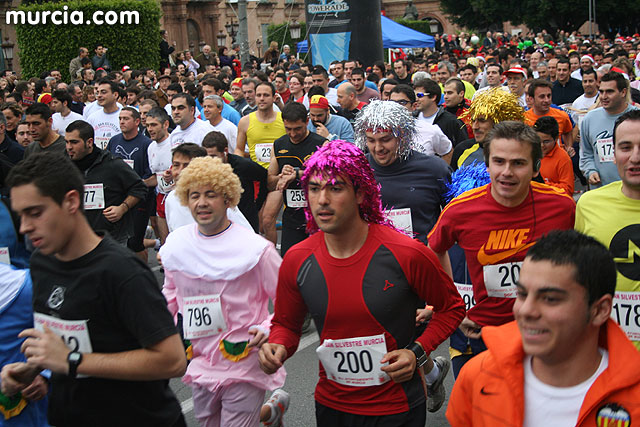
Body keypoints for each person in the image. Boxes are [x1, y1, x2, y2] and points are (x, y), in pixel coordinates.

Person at [259, 140, 465, 425]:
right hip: (332, 405)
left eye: (335, 188)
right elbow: (286, 325)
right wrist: (277, 347)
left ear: (360, 193)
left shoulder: (406, 253)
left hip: (396, 407)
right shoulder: (297, 258)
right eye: (315, 189)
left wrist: (416, 351)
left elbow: (452, 308)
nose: (322, 200)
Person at [1, 152, 187, 426]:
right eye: (21, 216)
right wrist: (36, 370)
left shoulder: (121, 272)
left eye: (35, 213)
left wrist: (73, 361)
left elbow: (172, 361)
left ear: (71, 202)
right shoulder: (40, 263)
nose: (26, 227)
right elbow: (66, 341)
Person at [446, 230, 640, 426]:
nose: (526, 311)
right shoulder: (476, 376)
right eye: (522, 294)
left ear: (600, 310)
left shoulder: (634, 397)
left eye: (550, 299)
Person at [428, 121, 576, 377]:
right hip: (487, 332)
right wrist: (453, 306)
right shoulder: (461, 210)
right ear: (488, 164)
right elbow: (433, 251)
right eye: (499, 162)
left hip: (549, 330)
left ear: (535, 168)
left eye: (518, 163)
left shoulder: (562, 207)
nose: (506, 172)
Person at [160, 156, 288, 427]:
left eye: (211, 195)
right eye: (194, 195)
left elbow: (288, 299)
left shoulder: (255, 248)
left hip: (243, 358)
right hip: (199, 358)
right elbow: (170, 295)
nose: (202, 203)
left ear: (228, 199)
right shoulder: (177, 245)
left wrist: (267, 328)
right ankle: (270, 413)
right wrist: (160, 333)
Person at [575, 109, 640, 349]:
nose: (635, 157)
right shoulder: (589, 205)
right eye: (625, 147)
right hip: (606, 352)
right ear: (613, 154)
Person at [358, 99, 450, 246]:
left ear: (403, 137)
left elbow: (454, 221)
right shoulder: (357, 169)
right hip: (373, 261)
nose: (377, 148)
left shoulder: (435, 170)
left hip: (421, 261)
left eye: (385, 140)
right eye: (371, 140)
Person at [269, 102, 326, 255]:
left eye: (298, 129)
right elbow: (270, 181)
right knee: (290, 263)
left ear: (307, 121)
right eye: (288, 129)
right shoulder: (279, 144)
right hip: (292, 218)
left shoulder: (321, 144)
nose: (293, 134)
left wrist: (297, 174)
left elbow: (328, 177)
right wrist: (281, 176)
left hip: (318, 217)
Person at [235, 82, 286, 244]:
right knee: (257, 224)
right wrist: (240, 166)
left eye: (266, 95)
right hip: (255, 178)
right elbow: (238, 149)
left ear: (273, 97)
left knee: (268, 219)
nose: (262, 99)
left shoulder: (283, 120)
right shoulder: (245, 121)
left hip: (277, 178)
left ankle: (271, 260)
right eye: (259, 95)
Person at [580, 71, 637, 188]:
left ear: (623, 92)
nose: (604, 96)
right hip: (602, 191)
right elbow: (586, 153)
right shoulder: (589, 119)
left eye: (610, 92)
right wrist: (591, 171)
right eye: (601, 91)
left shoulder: (637, 117)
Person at [202, 132, 267, 234]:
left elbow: (265, 177)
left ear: (225, 151)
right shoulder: (204, 169)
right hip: (220, 222)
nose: (210, 161)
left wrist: (258, 204)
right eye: (207, 157)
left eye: (214, 156)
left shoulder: (243, 165)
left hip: (246, 220)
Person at [451, 88, 525, 170]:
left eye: (482, 121)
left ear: (499, 122)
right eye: (473, 120)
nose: (475, 127)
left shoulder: (519, 151)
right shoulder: (462, 149)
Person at [389, 85, 452, 162]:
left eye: (402, 102)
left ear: (414, 106)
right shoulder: (379, 131)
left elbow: (447, 151)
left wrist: (441, 173)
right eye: (392, 103)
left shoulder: (431, 130)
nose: (396, 107)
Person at [145, 107, 173, 245]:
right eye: (148, 125)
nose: (150, 129)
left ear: (165, 124)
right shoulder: (151, 148)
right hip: (161, 197)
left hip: (178, 197)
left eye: (154, 125)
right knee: (165, 241)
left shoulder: (175, 144)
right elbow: (156, 177)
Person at [414, 78, 469, 146]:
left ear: (433, 97)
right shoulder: (412, 118)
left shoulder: (453, 121)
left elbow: (463, 148)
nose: (416, 99)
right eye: (444, 93)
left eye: (420, 95)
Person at [524, 79, 574, 152]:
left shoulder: (562, 116)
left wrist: (568, 146)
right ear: (531, 99)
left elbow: (568, 131)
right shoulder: (523, 119)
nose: (547, 100)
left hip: (557, 161)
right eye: (542, 97)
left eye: (549, 96)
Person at [534, 116, 574, 195]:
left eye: (546, 141)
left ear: (556, 139)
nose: (541, 145)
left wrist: (542, 184)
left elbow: (568, 190)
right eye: (538, 140)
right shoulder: (529, 152)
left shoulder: (563, 158)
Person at [86, 79, 122, 150]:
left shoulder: (124, 116)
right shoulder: (92, 117)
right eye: (98, 93)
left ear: (115, 95)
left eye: (103, 92)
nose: (99, 96)